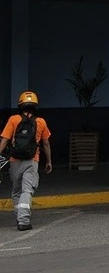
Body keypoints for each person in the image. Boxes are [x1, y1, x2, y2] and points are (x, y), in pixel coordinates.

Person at [0, 91, 52, 231]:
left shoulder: (13, 120)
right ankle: (24, 221)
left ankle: (20, 216)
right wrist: (49, 161)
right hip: (32, 160)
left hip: (14, 160)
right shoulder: (41, 122)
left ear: (20, 105)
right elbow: (46, 143)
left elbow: (4, 140)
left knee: (17, 191)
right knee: (27, 190)